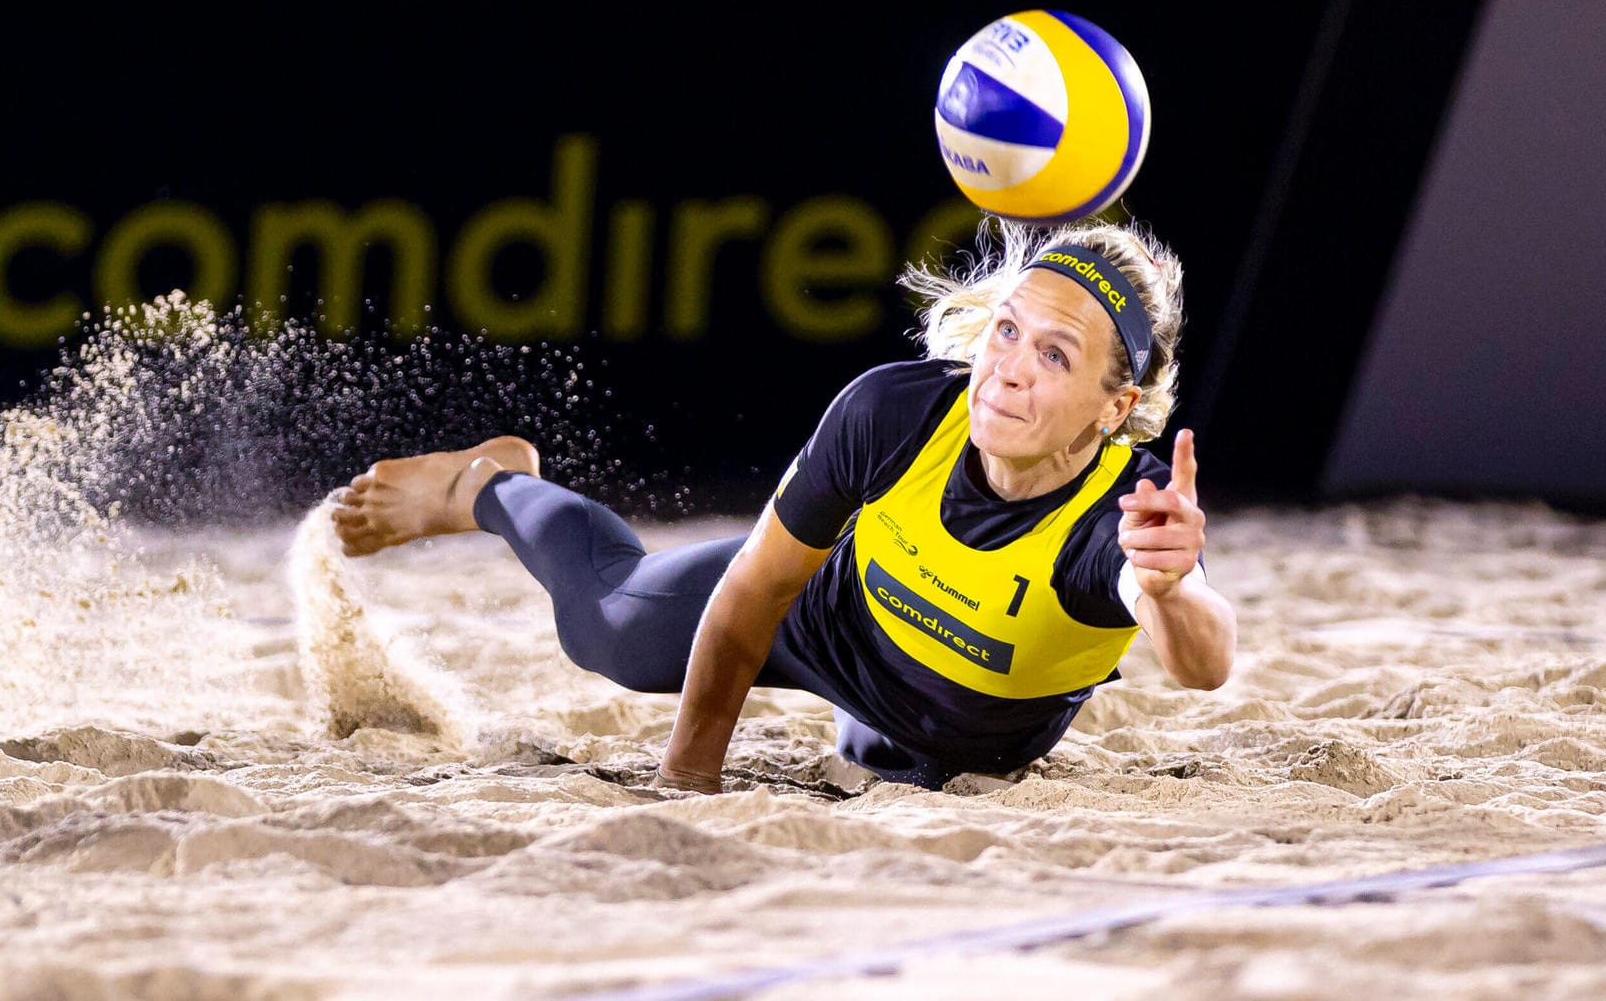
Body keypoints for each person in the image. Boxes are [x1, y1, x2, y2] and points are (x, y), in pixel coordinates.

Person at [328, 221, 1237, 792]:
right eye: (1008, 330)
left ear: (1117, 409)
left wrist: (1167, 592)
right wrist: (689, 778)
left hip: (936, 725)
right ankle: (486, 484)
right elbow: (757, 589)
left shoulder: (1123, 513)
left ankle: (873, 726)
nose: (1005, 367)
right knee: (603, 627)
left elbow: (1202, 663)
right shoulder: (898, 411)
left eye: (1054, 355)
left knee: (901, 767)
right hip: (829, 610)